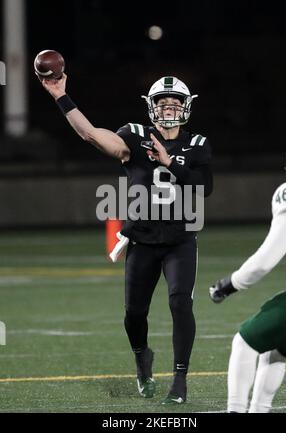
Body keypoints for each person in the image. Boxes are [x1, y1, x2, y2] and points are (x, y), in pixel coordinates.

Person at [39, 73, 213, 404]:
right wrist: (61, 96)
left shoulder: (198, 144)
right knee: (134, 313)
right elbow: (91, 134)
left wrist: (169, 162)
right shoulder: (134, 136)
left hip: (180, 239)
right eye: (163, 103)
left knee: (180, 301)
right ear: (151, 107)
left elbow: (204, 188)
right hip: (142, 239)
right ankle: (142, 359)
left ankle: (179, 380)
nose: (169, 108)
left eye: (175, 102)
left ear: (187, 107)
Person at [208, 140, 286, 413]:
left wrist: (229, 285)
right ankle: (260, 409)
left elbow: (265, 261)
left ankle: (235, 409)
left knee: (245, 341)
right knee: (277, 349)